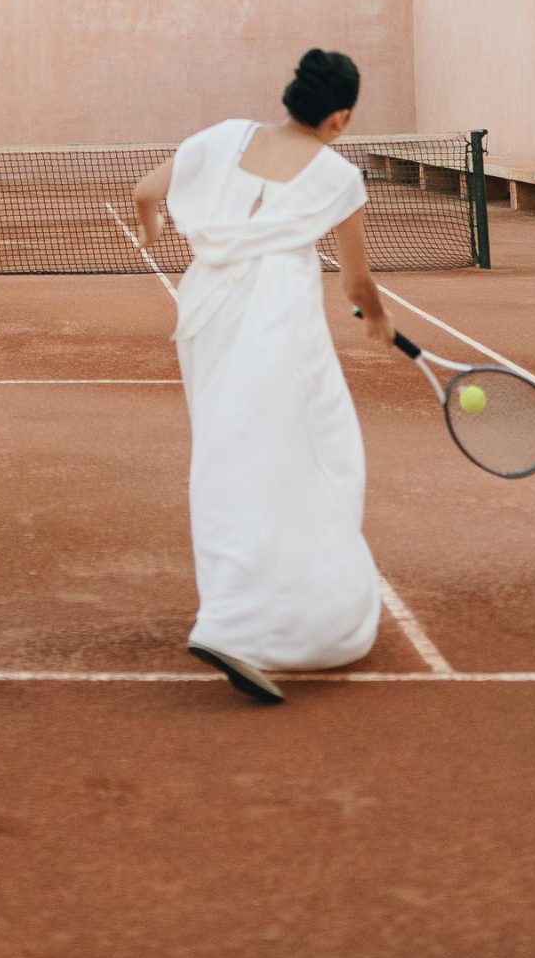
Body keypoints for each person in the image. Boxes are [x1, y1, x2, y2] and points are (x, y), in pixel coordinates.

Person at [132, 47, 396, 705]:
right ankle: (239, 623)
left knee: (236, 450)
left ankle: (261, 609)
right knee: (304, 457)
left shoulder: (222, 138)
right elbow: (356, 282)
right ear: (337, 118)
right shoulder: (338, 176)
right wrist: (375, 322)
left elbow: (144, 192)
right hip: (276, 318)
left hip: (206, 312)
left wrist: (154, 225)